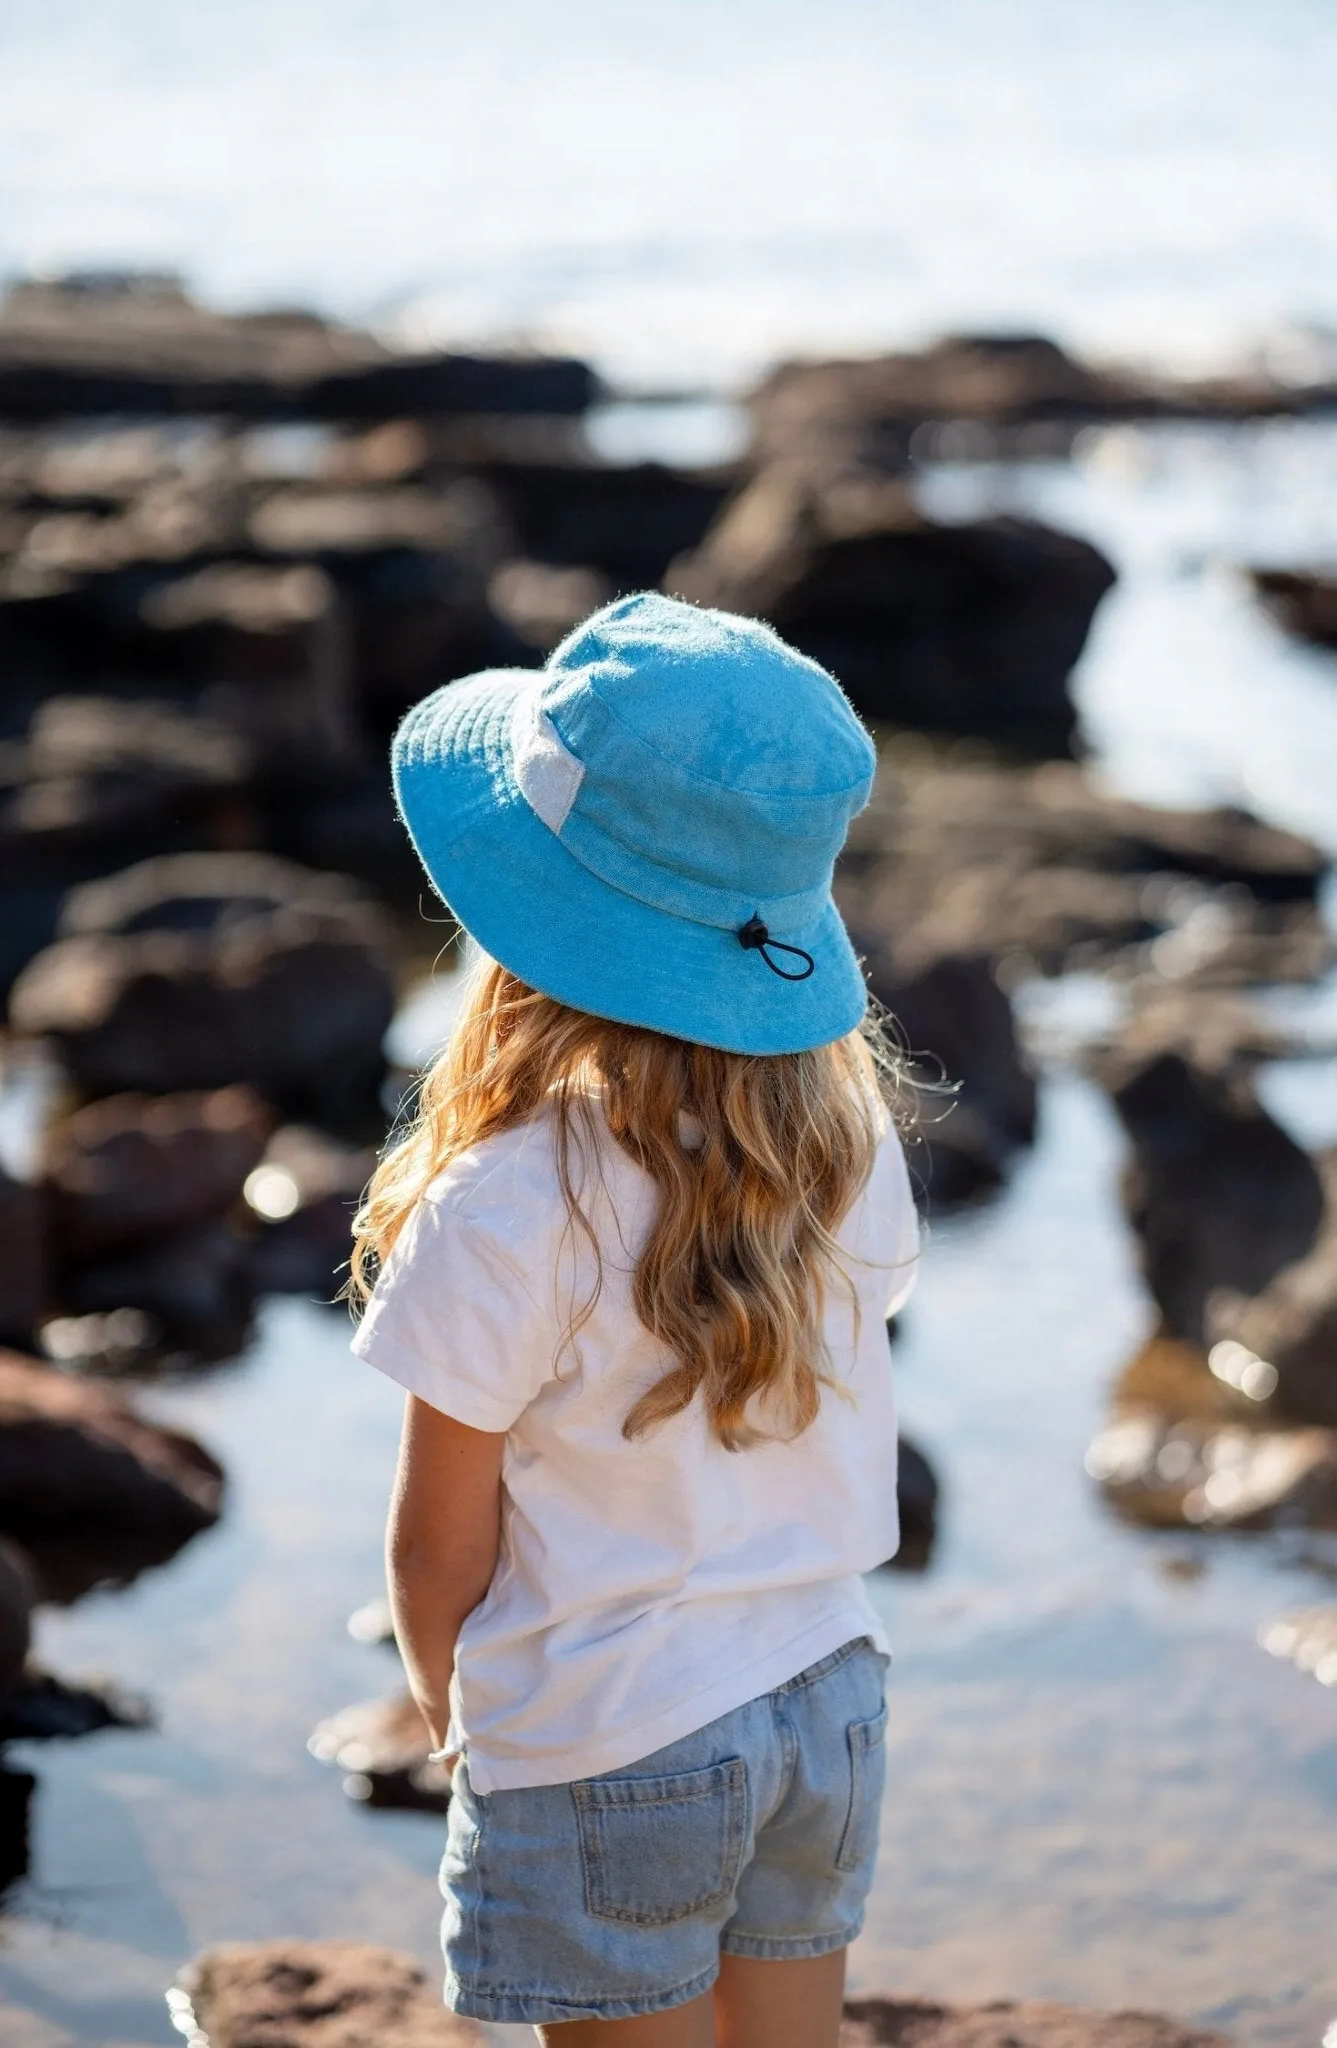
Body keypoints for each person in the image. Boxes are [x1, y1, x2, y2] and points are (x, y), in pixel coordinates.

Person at [347, 592, 921, 2045]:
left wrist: (448, 1708)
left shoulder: (510, 1199)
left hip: (611, 1735)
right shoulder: (847, 1149)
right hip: (826, 1692)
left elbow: (437, 1540)